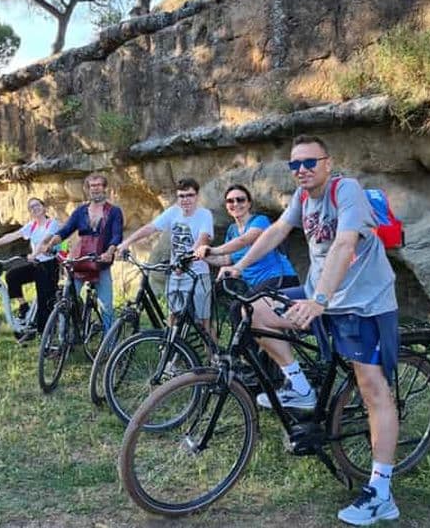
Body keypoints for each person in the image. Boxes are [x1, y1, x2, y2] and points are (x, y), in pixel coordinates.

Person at [219, 135, 400, 526]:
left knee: (372, 388)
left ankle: (382, 491)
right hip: (322, 291)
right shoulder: (302, 198)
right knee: (253, 311)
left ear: (327, 163)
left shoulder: (345, 191)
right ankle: (299, 386)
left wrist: (318, 300)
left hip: (361, 302)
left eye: (308, 163)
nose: (301, 170)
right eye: (294, 165)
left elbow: (344, 244)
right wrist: (238, 263)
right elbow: (276, 232)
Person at [117, 178, 214, 337]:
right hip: (176, 274)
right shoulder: (173, 212)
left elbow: (203, 239)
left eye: (189, 195)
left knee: (203, 323)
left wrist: (187, 260)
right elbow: (151, 228)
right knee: (173, 317)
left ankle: (212, 358)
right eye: (181, 196)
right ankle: (171, 353)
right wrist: (127, 242)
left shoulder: (204, 215)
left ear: (197, 196)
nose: (185, 200)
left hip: (197, 273)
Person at [39, 173, 123, 332]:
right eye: (92, 186)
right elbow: (65, 230)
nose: (95, 189)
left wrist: (110, 252)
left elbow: (117, 235)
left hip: (101, 263)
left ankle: (109, 346)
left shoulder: (114, 211)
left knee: (106, 306)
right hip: (80, 261)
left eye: (98, 185)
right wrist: (51, 244)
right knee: (67, 301)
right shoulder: (81, 211)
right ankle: (64, 340)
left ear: (105, 188)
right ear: (88, 189)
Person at [0, 197, 59, 341]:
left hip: (49, 265)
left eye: (37, 205)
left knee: (44, 300)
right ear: (30, 212)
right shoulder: (32, 226)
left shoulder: (52, 223)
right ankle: (24, 306)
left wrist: (34, 254)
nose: (35, 208)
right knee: (12, 276)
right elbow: (13, 235)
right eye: (31, 207)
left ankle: (45, 337)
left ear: (44, 207)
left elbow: (46, 241)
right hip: (35, 263)